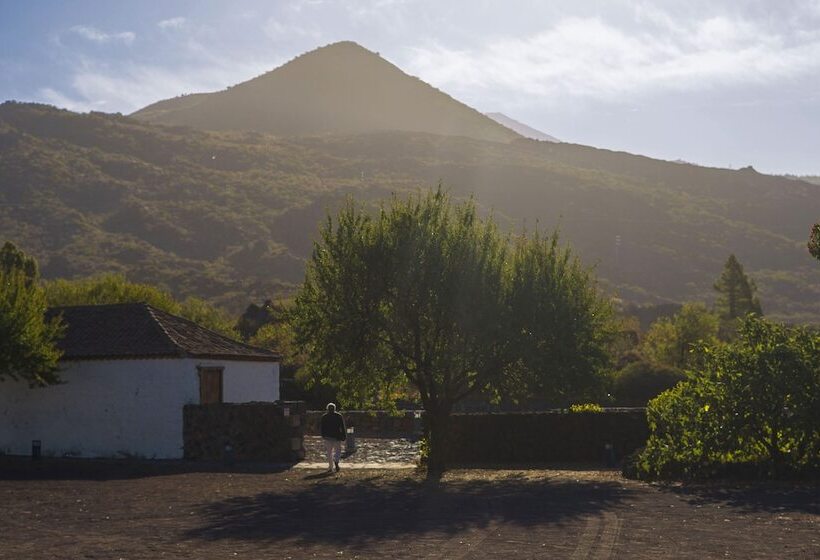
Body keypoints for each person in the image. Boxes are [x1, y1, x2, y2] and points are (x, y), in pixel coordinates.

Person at [320, 402, 346, 472]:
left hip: (328, 437)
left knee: (329, 452)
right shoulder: (338, 416)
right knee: (338, 451)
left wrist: (323, 435)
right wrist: (344, 435)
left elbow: (322, 428)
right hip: (337, 436)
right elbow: (342, 427)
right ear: (334, 408)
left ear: (327, 409)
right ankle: (336, 461)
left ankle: (331, 466)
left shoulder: (324, 417)